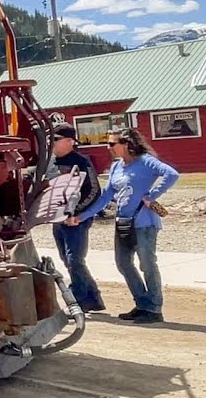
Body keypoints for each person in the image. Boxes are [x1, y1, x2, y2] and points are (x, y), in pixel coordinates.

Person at [67, 127, 179, 323]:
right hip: (123, 222)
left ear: (127, 144)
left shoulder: (145, 161)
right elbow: (106, 197)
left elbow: (171, 174)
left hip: (144, 223)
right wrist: (82, 216)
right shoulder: (116, 167)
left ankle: (154, 308)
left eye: (112, 143)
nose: (108, 147)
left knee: (147, 264)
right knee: (123, 263)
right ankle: (142, 303)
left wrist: (152, 196)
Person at [47, 124, 105, 312]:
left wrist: (76, 213)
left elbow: (94, 191)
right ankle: (93, 296)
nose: (52, 143)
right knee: (66, 259)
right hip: (57, 218)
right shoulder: (50, 162)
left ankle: (78, 299)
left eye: (56, 139)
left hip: (77, 219)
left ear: (70, 141)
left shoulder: (81, 161)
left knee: (75, 259)